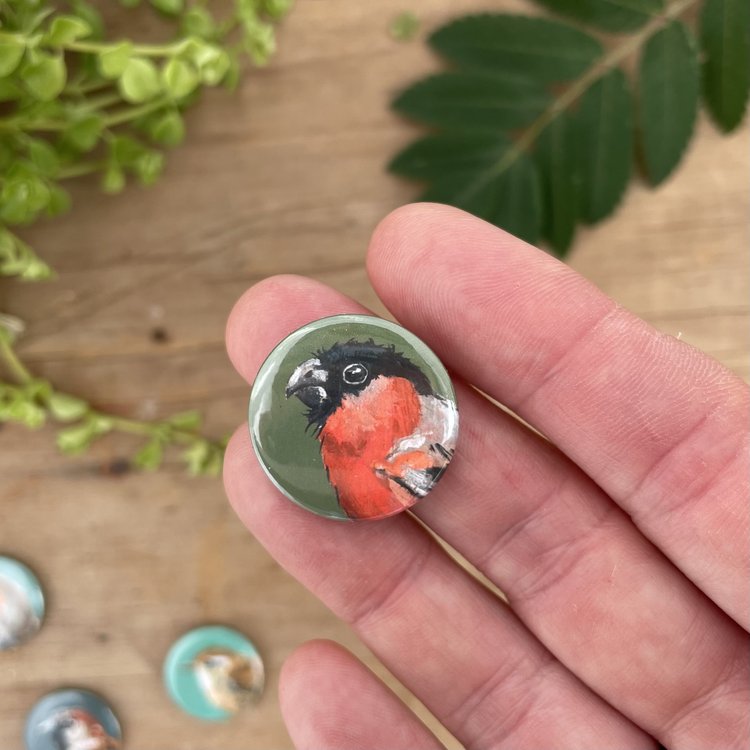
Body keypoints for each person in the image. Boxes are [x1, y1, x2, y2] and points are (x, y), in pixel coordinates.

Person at [223, 204, 749, 750]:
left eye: (352, 376)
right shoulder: (344, 465)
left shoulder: (415, 444)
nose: (315, 380)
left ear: (405, 390)